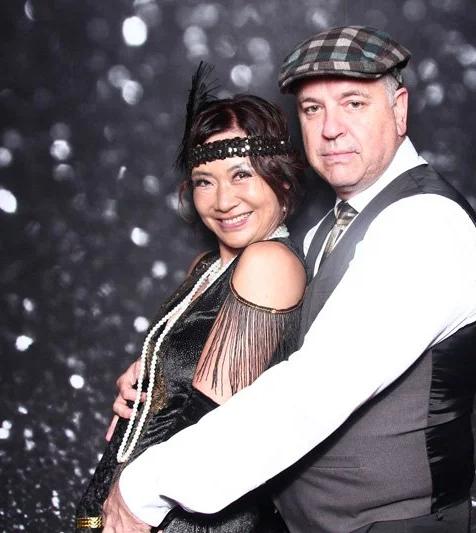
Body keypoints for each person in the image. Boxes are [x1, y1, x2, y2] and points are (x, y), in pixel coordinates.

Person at [103, 26, 476, 533]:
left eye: (353, 103)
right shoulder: (326, 232)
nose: (330, 129)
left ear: (399, 110)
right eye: (312, 109)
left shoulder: (425, 225)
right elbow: (260, 365)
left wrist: (149, 485)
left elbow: (313, 390)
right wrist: (162, 378)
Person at [76, 64, 307, 532]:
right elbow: (182, 386)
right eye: (205, 180)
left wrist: (137, 504)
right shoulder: (207, 267)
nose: (222, 200)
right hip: (128, 502)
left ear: (281, 179)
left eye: (241, 175)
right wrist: (148, 383)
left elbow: (213, 427)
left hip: (180, 518)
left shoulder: (269, 262)